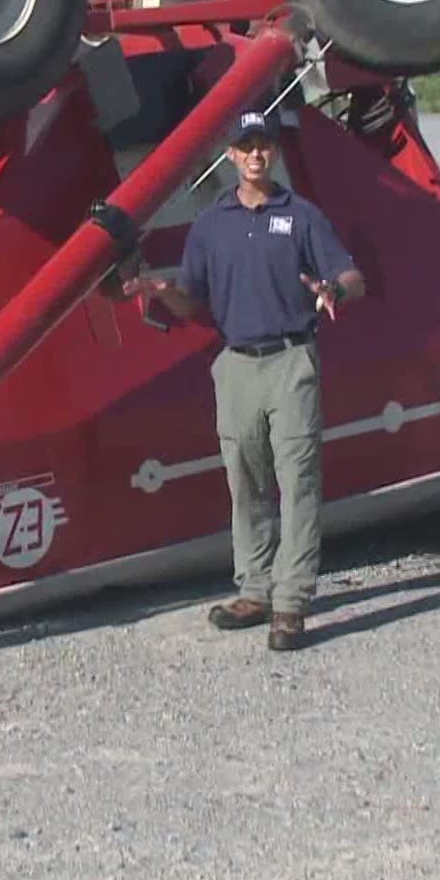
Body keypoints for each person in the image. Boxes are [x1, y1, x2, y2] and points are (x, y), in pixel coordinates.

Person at [123, 109, 367, 651]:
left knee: (297, 483)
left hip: (291, 362)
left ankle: (291, 603)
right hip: (235, 366)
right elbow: (192, 301)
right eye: (245, 145)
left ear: (273, 152)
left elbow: (353, 277)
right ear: (230, 156)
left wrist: (336, 292)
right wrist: (159, 289)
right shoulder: (211, 224)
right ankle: (254, 590)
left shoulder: (300, 216)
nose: (256, 153)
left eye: (263, 144)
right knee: (246, 484)